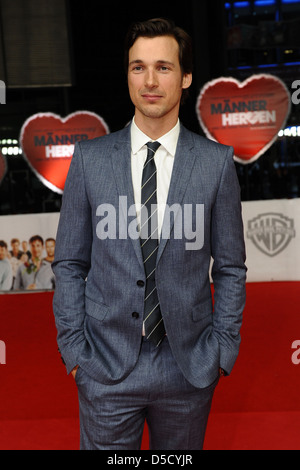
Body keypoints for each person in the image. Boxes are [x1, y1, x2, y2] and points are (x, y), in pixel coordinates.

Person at [52, 18, 247, 450]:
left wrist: (221, 350)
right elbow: (68, 262)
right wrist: (75, 353)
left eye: (164, 66)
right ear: (127, 75)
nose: (150, 80)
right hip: (103, 364)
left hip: (189, 366)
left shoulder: (216, 164)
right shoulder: (89, 159)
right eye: (138, 67)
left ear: (186, 76)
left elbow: (231, 268)